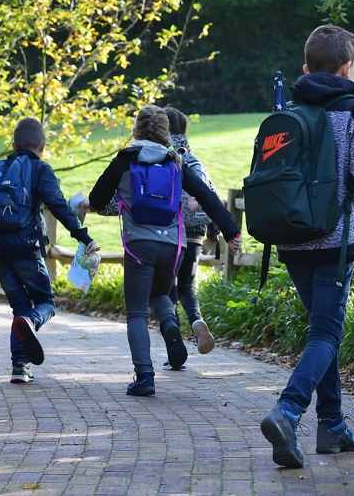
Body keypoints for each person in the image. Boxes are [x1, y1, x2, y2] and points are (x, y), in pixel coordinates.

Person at [259, 24, 354, 469]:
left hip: (289, 239)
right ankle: (287, 411)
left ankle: (333, 425)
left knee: (324, 333)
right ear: (347, 68)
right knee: (325, 333)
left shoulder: (290, 111)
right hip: (334, 243)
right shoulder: (351, 108)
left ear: (307, 68)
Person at [86, 105, 242, 397]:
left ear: (136, 129)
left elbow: (97, 198)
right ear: (167, 133)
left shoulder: (125, 159)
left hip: (138, 246)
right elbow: (206, 196)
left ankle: (144, 376)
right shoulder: (175, 161)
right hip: (174, 247)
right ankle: (169, 322)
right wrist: (231, 231)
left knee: (135, 314)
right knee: (159, 294)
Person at [0, 117, 99, 385]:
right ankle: (32, 323)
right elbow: (58, 206)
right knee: (45, 303)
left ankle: (19, 367)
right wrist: (83, 236)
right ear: (43, 145)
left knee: (19, 306)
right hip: (26, 248)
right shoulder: (40, 169)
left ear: (13, 145)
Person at [163, 106, 217, 363]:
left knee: (168, 289)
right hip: (195, 233)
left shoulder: (163, 157)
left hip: (170, 233)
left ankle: (173, 340)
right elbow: (211, 195)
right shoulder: (195, 160)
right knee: (187, 286)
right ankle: (197, 320)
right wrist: (216, 232)